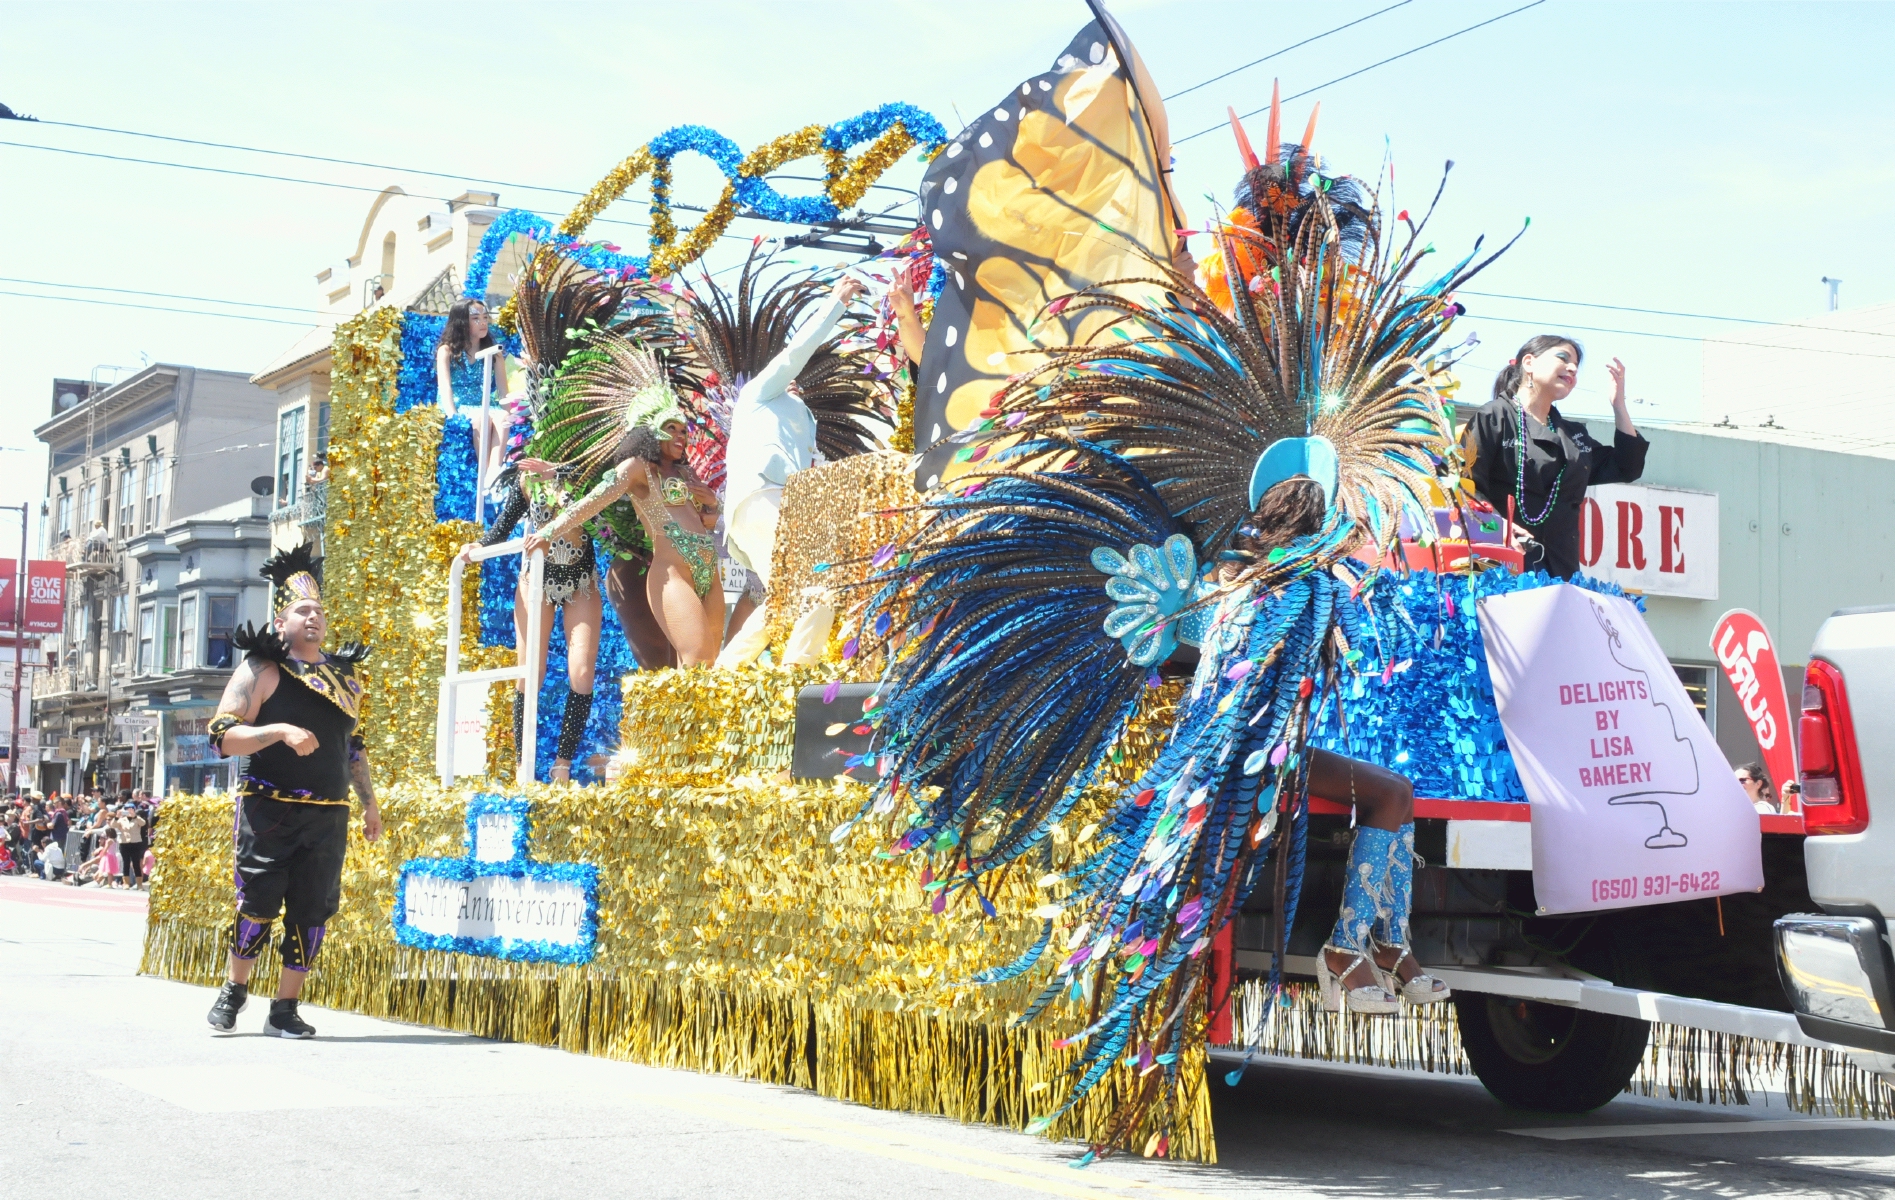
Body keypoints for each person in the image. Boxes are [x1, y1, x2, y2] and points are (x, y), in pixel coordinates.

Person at [202, 543, 379, 1039]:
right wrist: (276, 731)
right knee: (258, 903)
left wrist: (370, 806)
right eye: (303, 610)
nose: (314, 617)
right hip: (268, 808)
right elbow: (221, 735)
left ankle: (284, 1008)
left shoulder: (346, 679)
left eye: (319, 611)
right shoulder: (261, 670)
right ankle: (234, 990)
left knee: (312, 910)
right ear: (281, 621)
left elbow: (353, 747)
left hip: (328, 814)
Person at [528, 382, 726, 668]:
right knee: (698, 657)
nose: (680, 436)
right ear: (650, 431)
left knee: (713, 662)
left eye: (684, 430)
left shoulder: (685, 472)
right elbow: (595, 500)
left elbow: (705, 522)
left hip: (709, 571)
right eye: (671, 428)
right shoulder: (638, 467)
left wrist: (712, 505)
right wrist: (549, 531)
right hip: (674, 575)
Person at [459, 454, 604, 783]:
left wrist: (561, 476)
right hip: (535, 580)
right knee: (530, 673)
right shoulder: (527, 480)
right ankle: (524, 764)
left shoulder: (585, 473)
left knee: (581, 672)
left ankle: (562, 764)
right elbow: (502, 527)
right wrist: (478, 545)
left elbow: (597, 515)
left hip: (580, 580)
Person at [1461, 336, 1650, 579]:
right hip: (1501, 565)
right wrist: (1498, 527)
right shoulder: (1494, 417)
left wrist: (1618, 405)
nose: (1572, 368)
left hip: (1560, 569)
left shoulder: (1573, 436)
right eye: (1563, 358)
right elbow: (1464, 486)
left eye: (1576, 365)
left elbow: (1628, 467)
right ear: (1529, 362)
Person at [722, 274, 867, 587]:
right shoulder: (759, 392)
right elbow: (794, 355)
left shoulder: (799, 419)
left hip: (773, 504)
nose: (794, 381)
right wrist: (835, 305)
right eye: (788, 377)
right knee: (809, 592)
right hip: (762, 498)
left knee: (789, 601)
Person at [435, 297, 514, 509]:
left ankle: (493, 473)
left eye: (485, 318)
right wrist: (453, 415)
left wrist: (512, 414)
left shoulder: (495, 354)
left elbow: (503, 391)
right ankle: (484, 472)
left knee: (503, 417)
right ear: (462, 322)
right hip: (460, 405)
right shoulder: (447, 351)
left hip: (484, 403)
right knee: (482, 419)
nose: (483, 323)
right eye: (476, 318)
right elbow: (445, 387)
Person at [116, 802, 146, 889]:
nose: (128, 811)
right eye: (127, 809)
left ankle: (139, 884)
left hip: (135, 843)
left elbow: (143, 823)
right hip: (124, 843)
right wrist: (117, 816)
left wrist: (134, 816)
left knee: (136, 863)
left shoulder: (137, 819)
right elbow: (113, 825)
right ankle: (126, 883)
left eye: (130, 809)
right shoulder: (122, 819)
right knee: (126, 863)